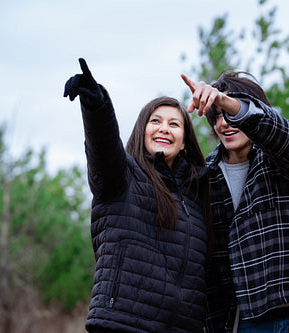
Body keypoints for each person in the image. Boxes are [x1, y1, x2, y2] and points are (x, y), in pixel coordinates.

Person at [181, 71, 289, 333]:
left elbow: (280, 135)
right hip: (250, 318)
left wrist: (228, 102)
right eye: (218, 116)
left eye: (230, 112)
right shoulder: (204, 176)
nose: (225, 123)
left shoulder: (287, 149)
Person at [64, 58, 210, 333]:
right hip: (123, 323)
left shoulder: (197, 193)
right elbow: (103, 147)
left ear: (184, 141)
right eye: (155, 121)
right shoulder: (122, 175)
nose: (164, 128)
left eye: (174, 124)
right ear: (142, 131)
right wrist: (97, 107)